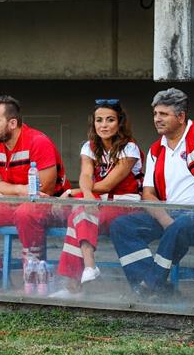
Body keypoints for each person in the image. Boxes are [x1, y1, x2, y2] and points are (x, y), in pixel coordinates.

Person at [109, 88, 194, 299]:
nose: (157, 119)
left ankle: (148, 288)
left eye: (163, 114)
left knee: (178, 227)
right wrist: (164, 218)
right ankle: (158, 288)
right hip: (171, 213)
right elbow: (147, 193)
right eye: (155, 114)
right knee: (121, 226)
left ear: (181, 116)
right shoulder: (157, 149)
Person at [0, 95, 70, 291]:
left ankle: (33, 275)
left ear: (13, 123)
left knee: (26, 212)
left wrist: (12, 193)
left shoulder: (38, 141)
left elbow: (45, 190)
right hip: (16, 203)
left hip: (51, 206)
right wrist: (19, 192)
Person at [53, 99, 143, 296]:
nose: (103, 125)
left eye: (110, 120)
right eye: (99, 120)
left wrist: (77, 193)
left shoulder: (130, 148)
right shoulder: (89, 146)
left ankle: (74, 283)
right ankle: (88, 269)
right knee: (79, 212)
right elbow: (85, 175)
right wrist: (86, 195)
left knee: (77, 214)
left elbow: (108, 184)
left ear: (120, 122)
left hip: (126, 204)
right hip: (99, 202)